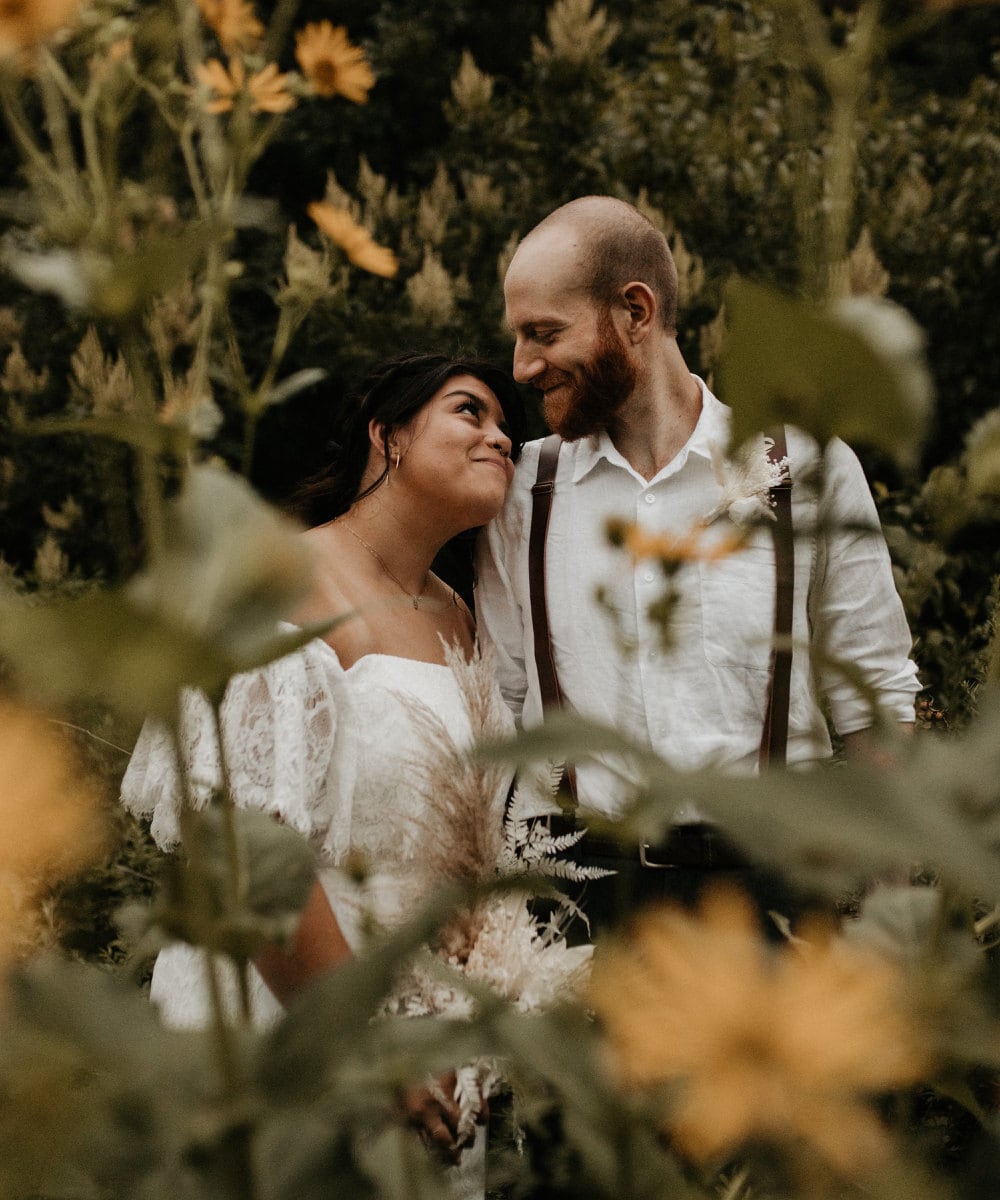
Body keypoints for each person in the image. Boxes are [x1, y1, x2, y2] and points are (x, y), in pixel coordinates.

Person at [121, 351, 525, 1189]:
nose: (502, 436)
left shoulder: (461, 616)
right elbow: (243, 847)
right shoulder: (287, 583)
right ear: (388, 436)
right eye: (470, 411)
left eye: (505, 422)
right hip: (288, 1013)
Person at [475, 195, 921, 931]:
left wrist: (892, 924)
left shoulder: (804, 466)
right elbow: (498, 710)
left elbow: (876, 701)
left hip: (773, 900)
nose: (521, 367)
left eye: (543, 333)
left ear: (636, 313)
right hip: (582, 904)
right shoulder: (523, 490)